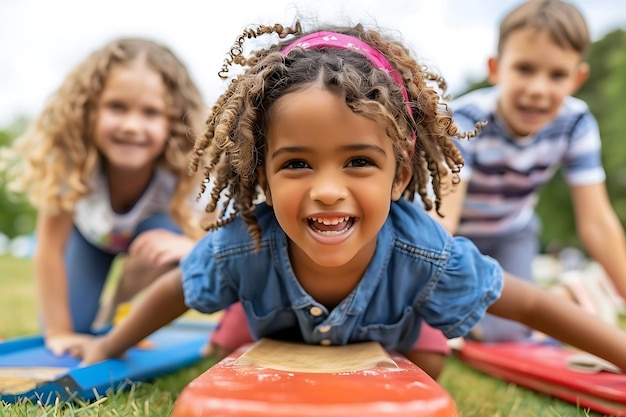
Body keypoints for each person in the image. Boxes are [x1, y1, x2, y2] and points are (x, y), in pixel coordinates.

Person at [77, 22, 626, 376]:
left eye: (359, 161)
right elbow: (178, 289)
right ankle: (235, 327)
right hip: (276, 327)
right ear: (262, 175)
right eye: (296, 164)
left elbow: (528, 303)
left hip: (394, 334)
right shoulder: (241, 246)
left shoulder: (425, 252)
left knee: (432, 356)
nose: (328, 190)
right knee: (227, 353)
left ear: (399, 172)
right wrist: (107, 348)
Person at [433, 0, 626, 343]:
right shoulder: (464, 121)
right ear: (496, 68)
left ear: (577, 78)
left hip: (511, 233)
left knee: (505, 332)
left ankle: (570, 296)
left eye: (557, 75)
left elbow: (597, 222)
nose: (538, 89)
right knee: (437, 316)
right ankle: (560, 303)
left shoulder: (576, 124)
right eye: (524, 69)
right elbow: (442, 217)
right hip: (458, 236)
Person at [3, 37, 207, 356]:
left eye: (150, 113)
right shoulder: (71, 161)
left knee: (173, 249)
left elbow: (216, 238)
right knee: (73, 328)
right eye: (116, 107)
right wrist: (59, 332)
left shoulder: (185, 169)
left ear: (172, 121)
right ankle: (99, 309)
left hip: (154, 242)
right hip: (92, 239)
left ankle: (124, 301)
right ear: (89, 110)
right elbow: (50, 250)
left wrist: (189, 247)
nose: (131, 126)